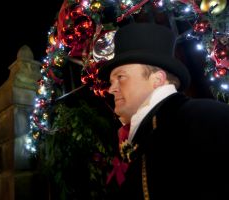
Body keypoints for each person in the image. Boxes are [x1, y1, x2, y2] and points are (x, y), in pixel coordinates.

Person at [98, 23, 229, 200]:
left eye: (120, 77)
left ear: (158, 79)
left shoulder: (207, 118)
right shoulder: (145, 136)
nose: (111, 89)